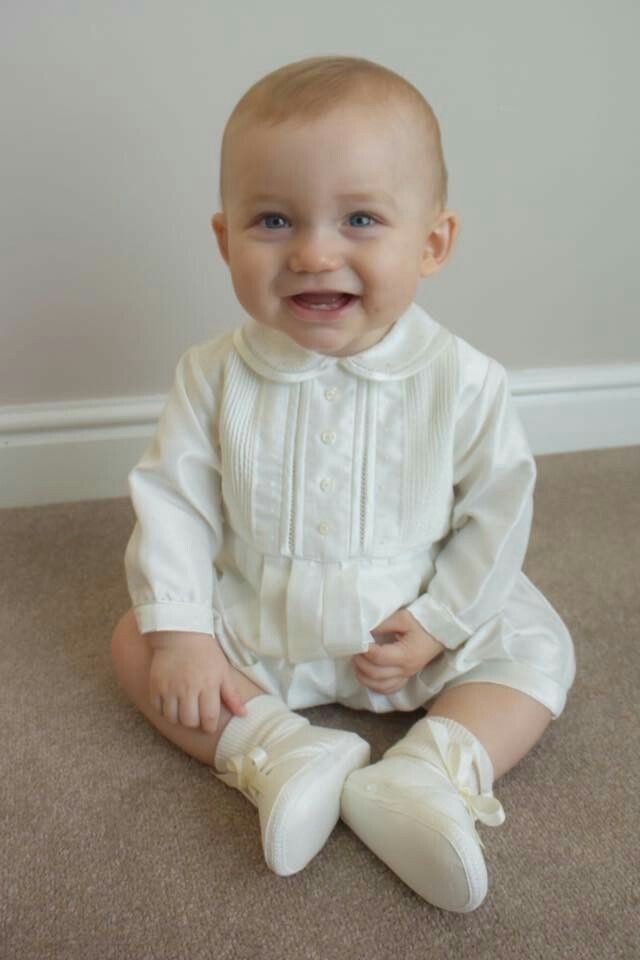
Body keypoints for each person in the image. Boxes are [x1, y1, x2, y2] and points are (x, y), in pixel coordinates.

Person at [111, 55, 575, 913]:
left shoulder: (465, 380)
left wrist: (441, 624)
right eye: (274, 221)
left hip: (408, 631)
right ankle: (278, 749)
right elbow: (172, 498)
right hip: (258, 621)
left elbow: (496, 513)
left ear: (431, 242)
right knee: (135, 641)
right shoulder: (212, 374)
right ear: (225, 240)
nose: (315, 252)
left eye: (361, 218)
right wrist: (183, 633)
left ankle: (431, 774)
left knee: (538, 651)